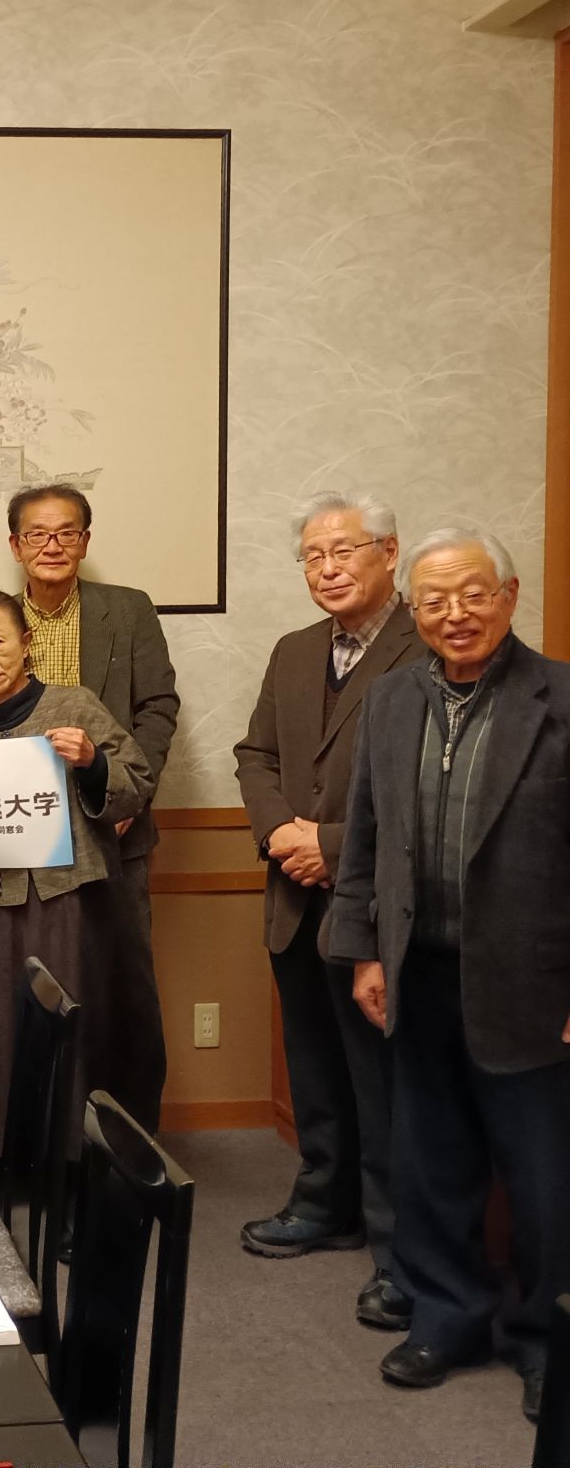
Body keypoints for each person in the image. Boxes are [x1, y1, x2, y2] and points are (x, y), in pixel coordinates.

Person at [328, 527, 570, 1425]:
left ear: (510, 596)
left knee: (545, 1178)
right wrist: (364, 950)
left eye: (473, 594)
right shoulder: (392, 699)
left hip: (534, 982)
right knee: (430, 1160)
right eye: (434, 600)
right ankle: (447, 1317)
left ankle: (548, 1343)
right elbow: (365, 836)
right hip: (417, 970)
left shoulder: (560, 697)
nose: (454, 613)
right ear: (415, 610)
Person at [234, 493, 426, 1330]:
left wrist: (333, 844)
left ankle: (399, 1250)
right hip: (294, 894)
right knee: (313, 1065)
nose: (328, 568)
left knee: (385, 1083)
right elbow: (256, 754)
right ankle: (323, 1203)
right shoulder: (295, 650)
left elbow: (430, 788)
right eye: (313, 555)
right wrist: (280, 831)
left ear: (389, 551)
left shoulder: (428, 644)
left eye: (344, 550)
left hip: (381, 904)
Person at [0, 590, 159, 1179]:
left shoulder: (72, 704)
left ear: (26, 644)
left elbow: (136, 782)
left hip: (69, 898)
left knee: (73, 1031)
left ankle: (76, 1171)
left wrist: (93, 761)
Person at [0, 485, 178, 946]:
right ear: (16, 546)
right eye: (36, 535)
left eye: (66, 534)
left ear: (84, 541)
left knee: (119, 968)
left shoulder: (128, 610)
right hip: (15, 831)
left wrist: (125, 796)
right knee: (21, 967)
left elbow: (157, 709)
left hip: (110, 826)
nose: (52, 547)